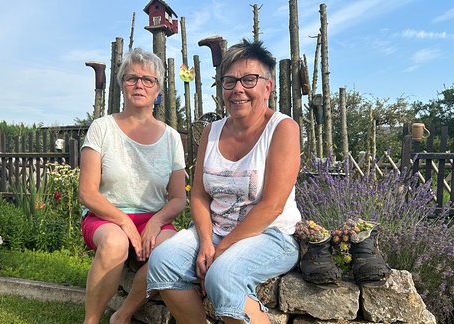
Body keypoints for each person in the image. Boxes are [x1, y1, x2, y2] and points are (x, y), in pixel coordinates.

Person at [147, 39, 302, 323]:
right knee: (162, 261)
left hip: (270, 235)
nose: (238, 89)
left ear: (268, 87)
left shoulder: (282, 128)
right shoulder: (212, 131)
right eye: (229, 82)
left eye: (249, 79)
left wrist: (220, 250)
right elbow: (199, 195)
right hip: (215, 231)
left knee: (224, 274)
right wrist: (206, 241)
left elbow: (272, 206)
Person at [78, 48, 186, 324]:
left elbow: (177, 199)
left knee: (171, 251)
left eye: (148, 80)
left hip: (154, 219)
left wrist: (157, 221)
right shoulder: (102, 129)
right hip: (106, 217)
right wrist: (124, 223)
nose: (139, 84)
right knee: (115, 243)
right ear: (122, 84)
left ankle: (122, 315)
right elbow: (87, 192)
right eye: (132, 78)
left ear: (158, 89)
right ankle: (91, 320)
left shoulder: (172, 138)